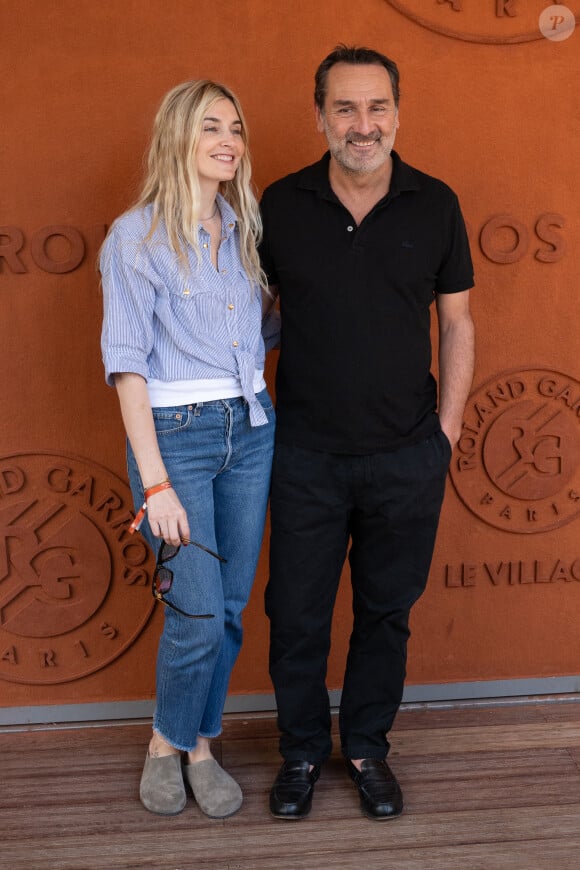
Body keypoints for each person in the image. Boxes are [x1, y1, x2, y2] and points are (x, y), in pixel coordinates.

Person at [260, 45, 475, 821]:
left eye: (377, 106)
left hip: (405, 454)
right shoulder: (278, 206)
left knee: (387, 611)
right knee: (296, 612)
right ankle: (302, 752)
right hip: (304, 455)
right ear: (319, 116)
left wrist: (445, 432)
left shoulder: (436, 203)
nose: (362, 124)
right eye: (345, 108)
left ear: (397, 112)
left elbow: (456, 324)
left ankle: (368, 748)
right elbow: (252, 317)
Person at [100, 80, 275, 818]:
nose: (228, 139)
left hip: (254, 429)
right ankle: (164, 741)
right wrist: (156, 484)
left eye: (235, 126)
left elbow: (262, 335)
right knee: (195, 610)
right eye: (211, 126)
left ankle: (201, 741)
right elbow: (127, 364)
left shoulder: (245, 232)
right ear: (178, 136)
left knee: (231, 607)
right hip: (177, 438)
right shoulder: (134, 237)